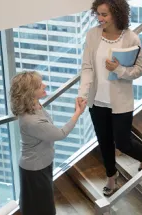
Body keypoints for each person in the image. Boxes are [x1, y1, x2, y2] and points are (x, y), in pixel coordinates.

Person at [77, 0, 142, 197]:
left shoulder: (131, 38)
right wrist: (82, 93)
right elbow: (87, 67)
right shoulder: (92, 35)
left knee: (122, 142)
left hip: (121, 102)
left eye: (104, 15)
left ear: (117, 14)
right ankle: (111, 175)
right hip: (97, 101)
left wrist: (118, 69)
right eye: (98, 14)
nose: (100, 19)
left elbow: (140, 70)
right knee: (104, 141)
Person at [11, 71, 86, 214]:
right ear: (30, 92)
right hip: (35, 169)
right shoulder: (32, 121)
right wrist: (77, 112)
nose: (44, 85)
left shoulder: (34, 105)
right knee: (43, 209)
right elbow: (60, 134)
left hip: (40, 164)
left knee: (39, 205)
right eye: (40, 85)